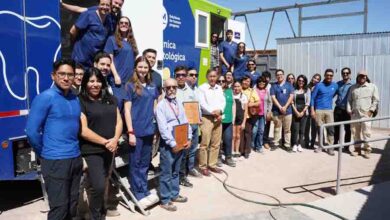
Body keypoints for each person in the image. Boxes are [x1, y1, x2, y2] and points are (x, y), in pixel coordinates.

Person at [26, 58, 82, 220]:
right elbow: (32, 131)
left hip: (75, 158)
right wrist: (44, 153)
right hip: (55, 160)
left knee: (72, 206)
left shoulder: (74, 97)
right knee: (59, 209)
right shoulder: (46, 97)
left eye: (70, 74)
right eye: (62, 74)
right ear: (53, 76)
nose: (66, 78)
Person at [78, 68, 123, 219]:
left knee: (104, 184)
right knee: (98, 186)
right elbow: (83, 130)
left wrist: (115, 139)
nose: (95, 84)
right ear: (85, 83)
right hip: (92, 150)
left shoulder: (111, 99)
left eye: (98, 81)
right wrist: (106, 142)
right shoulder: (81, 101)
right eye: (91, 81)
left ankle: (100, 213)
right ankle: (95, 216)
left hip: (110, 148)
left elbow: (119, 121)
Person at [123, 56, 160, 208]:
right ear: (135, 68)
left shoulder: (152, 86)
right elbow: (127, 110)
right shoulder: (130, 86)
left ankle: (144, 189)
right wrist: (130, 132)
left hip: (149, 130)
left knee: (145, 163)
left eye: (145, 67)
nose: (143, 70)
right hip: (136, 131)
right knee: (135, 163)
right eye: (140, 67)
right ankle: (136, 193)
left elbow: (155, 108)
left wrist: (156, 129)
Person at [156, 78, 192, 212]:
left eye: (174, 87)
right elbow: (163, 128)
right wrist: (172, 143)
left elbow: (185, 120)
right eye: (168, 87)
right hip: (169, 145)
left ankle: (174, 194)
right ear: (164, 89)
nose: (171, 90)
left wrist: (189, 137)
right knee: (167, 172)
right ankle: (165, 200)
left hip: (182, 142)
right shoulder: (161, 106)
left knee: (176, 171)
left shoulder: (178, 103)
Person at [104, 16, 138, 110]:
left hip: (130, 81)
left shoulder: (132, 42)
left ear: (129, 26)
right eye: (121, 23)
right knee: (118, 103)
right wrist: (115, 75)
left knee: (128, 107)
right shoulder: (111, 40)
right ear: (118, 25)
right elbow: (109, 59)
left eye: (126, 23)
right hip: (118, 80)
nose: (124, 24)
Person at [198, 69, 226, 176]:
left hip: (218, 117)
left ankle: (212, 164)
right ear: (207, 77)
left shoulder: (219, 88)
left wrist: (220, 111)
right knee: (205, 143)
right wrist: (213, 112)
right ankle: (203, 166)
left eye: (214, 76)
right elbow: (202, 103)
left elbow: (222, 102)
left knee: (216, 143)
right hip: (207, 117)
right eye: (210, 76)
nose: (212, 78)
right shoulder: (202, 88)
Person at [174, 66, 199, 188]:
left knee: (186, 153)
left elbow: (195, 106)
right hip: (178, 127)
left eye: (183, 75)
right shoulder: (172, 90)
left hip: (191, 126)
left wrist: (197, 120)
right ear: (175, 76)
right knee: (177, 154)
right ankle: (176, 177)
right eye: (178, 75)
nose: (180, 77)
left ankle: (182, 176)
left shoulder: (190, 91)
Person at [70, 0, 113, 68]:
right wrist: (73, 43)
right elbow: (73, 31)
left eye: (107, 5)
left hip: (94, 62)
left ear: (110, 7)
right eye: (102, 4)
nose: (104, 7)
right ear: (98, 5)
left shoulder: (109, 21)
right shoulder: (88, 15)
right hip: (80, 58)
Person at [347, 70, 379, 158]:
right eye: (360, 76)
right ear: (357, 77)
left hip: (366, 114)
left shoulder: (372, 87)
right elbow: (349, 100)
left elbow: (375, 100)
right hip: (355, 115)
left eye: (364, 76)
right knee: (355, 133)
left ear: (366, 77)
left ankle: (367, 150)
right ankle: (357, 149)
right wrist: (349, 110)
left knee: (366, 133)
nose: (362, 78)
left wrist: (371, 111)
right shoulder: (353, 87)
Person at [311, 69, 338, 155]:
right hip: (319, 110)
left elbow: (333, 95)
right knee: (320, 129)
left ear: (332, 76)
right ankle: (320, 146)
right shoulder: (319, 85)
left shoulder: (335, 85)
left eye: (331, 75)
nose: (329, 77)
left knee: (330, 129)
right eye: (327, 75)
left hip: (329, 111)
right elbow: (312, 98)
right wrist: (312, 110)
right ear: (325, 75)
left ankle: (330, 147)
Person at [270, 69, 294, 152]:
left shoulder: (289, 85)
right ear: (276, 76)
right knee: (277, 128)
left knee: (287, 129)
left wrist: (285, 106)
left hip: (288, 111)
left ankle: (287, 145)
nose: (279, 76)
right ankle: (276, 143)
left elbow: (291, 96)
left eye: (281, 74)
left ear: (283, 75)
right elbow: (273, 97)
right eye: (277, 74)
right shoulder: (274, 86)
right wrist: (280, 107)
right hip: (276, 111)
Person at [217, 75, 236, 167]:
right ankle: (218, 157)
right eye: (219, 81)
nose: (221, 83)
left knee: (228, 139)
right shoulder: (215, 91)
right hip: (218, 120)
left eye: (223, 81)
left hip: (228, 120)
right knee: (218, 141)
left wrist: (233, 118)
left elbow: (233, 105)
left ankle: (228, 157)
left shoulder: (230, 91)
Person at [240, 75, 260, 158]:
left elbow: (258, 102)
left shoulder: (252, 90)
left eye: (248, 81)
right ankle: (240, 150)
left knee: (248, 133)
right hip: (238, 115)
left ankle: (247, 151)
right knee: (239, 133)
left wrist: (251, 104)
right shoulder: (237, 88)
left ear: (250, 82)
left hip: (248, 115)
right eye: (244, 80)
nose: (245, 82)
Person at [334, 67, 353, 151]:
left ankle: (346, 146)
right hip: (338, 109)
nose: (345, 74)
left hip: (348, 110)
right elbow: (332, 94)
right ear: (341, 74)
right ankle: (335, 144)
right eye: (343, 73)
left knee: (348, 129)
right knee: (336, 128)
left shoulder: (353, 85)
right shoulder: (338, 84)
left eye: (347, 73)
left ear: (350, 74)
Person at [291, 75, 311, 152]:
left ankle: (300, 144)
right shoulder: (294, 89)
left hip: (304, 112)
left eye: (303, 81)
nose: (301, 82)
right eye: (299, 80)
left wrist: (302, 112)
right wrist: (296, 111)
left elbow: (308, 102)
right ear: (297, 81)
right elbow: (292, 102)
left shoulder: (307, 90)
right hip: (295, 112)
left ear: (305, 82)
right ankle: (295, 144)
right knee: (295, 129)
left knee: (302, 130)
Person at [252, 76, 270, 153]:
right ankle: (252, 145)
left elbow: (270, 102)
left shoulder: (267, 91)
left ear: (265, 83)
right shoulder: (254, 90)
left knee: (261, 131)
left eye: (263, 82)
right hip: (255, 113)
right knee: (254, 131)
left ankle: (259, 146)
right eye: (260, 82)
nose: (261, 83)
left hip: (263, 114)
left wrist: (269, 111)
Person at [305, 73, 321, 149]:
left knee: (314, 127)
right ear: (312, 78)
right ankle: (306, 142)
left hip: (315, 108)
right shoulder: (307, 86)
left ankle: (313, 142)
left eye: (318, 79)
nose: (316, 80)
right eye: (315, 78)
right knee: (307, 126)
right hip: (307, 108)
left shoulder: (319, 87)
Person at [232, 81, 248, 157]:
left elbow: (245, 111)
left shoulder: (244, 96)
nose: (237, 88)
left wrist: (244, 122)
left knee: (238, 136)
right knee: (233, 136)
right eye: (235, 86)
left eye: (238, 86)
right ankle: (231, 151)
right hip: (232, 118)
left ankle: (237, 151)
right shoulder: (231, 95)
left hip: (240, 118)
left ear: (241, 87)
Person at [261, 71, 273, 150]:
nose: (266, 79)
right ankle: (258, 141)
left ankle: (265, 141)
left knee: (266, 126)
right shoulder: (259, 85)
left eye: (268, 77)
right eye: (265, 77)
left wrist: (269, 111)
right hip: (260, 109)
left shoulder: (270, 86)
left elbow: (271, 100)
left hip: (268, 109)